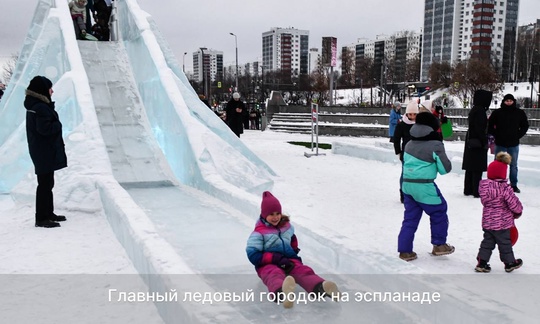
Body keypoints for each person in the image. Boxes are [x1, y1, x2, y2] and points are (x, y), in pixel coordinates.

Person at [246, 191, 340, 308]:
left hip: (287, 259)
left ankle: (321, 286)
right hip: (267, 263)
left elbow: (292, 239)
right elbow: (252, 254)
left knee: (302, 270)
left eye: (277, 213)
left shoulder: (287, 227)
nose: (275, 217)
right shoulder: (259, 232)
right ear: (264, 215)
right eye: (271, 214)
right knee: (273, 274)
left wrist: (294, 251)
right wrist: (275, 258)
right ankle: (282, 293)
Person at [397, 111, 454, 261]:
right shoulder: (435, 144)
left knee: (410, 218)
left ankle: (405, 251)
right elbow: (445, 169)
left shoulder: (409, 143)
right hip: (424, 186)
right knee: (439, 212)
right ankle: (439, 245)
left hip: (407, 185)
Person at [24, 76, 68, 228]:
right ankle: (42, 218)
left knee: (47, 183)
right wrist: (58, 124)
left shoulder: (36, 105)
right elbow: (45, 129)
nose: (52, 90)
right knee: (44, 184)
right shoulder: (40, 107)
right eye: (50, 88)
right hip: (43, 150)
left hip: (40, 149)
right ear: (43, 90)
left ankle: (48, 213)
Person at [475, 152, 523, 273]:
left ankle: (482, 262)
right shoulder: (504, 188)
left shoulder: (484, 187)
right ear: (503, 174)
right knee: (505, 243)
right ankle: (509, 263)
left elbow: (485, 201)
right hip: (502, 223)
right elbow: (514, 203)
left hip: (487, 221)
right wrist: (518, 211)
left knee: (487, 242)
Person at [487, 94, 529, 193]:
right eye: (507, 101)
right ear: (504, 101)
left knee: (513, 165)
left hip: (513, 143)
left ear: (513, 101)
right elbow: (490, 126)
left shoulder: (519, 113)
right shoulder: (497, 113)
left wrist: (518, 135)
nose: (509, 102)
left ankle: (513, 184)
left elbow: (525, 125)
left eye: (510, 101)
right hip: (500, 142)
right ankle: (496, 183)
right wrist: (497, 135)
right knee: (498, 164)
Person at [462, 90, 493, 198]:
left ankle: (468, 188)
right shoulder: (480, 111)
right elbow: (480, 129)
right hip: (478, 142)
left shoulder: (474, 109)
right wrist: (485, 141)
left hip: (471, 141)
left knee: (470, 167)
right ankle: (476, 190)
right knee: (477, 168)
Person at [393, 100, 418, 203]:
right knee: (405, 174)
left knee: (417, 174)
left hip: (418, 154)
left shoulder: (420, 124)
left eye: (414, 114)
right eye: (410, 114)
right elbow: (396, 138)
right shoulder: (402, 125)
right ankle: (403, 193)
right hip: (406, 153)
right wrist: (398, 152)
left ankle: (415, 193)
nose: (412, 116)